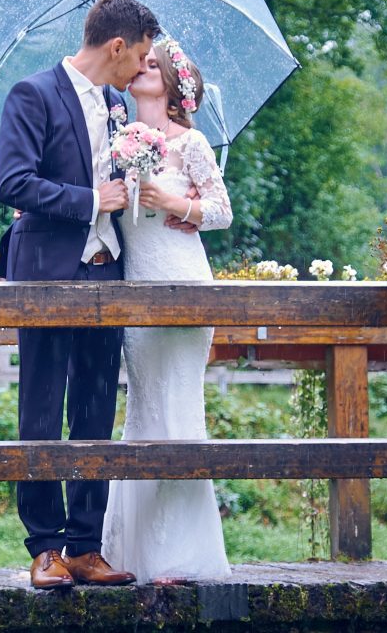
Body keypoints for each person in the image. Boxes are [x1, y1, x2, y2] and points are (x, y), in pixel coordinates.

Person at [0, 0, 160, 590]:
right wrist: (92, 199)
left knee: (95, 409)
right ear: (116, 46)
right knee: (40, 409)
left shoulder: (120, 104)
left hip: (105, 270)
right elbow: (11, 181)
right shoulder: (32, 94)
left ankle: (86, 546)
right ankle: (43, 549)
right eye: (138, 57)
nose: (142, 69)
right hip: (44, 273)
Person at [101, 37, 233, 584]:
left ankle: (180, 555)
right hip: (135, 285)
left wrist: (175, 203)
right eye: (139, 63)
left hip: (182, 276)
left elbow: (222, 211)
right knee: (144, 409)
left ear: (176, 84)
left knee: (179, 408)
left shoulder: (193, 143)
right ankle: (132, 551)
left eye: (153, 65)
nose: (141, 69)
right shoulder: (115, 139)